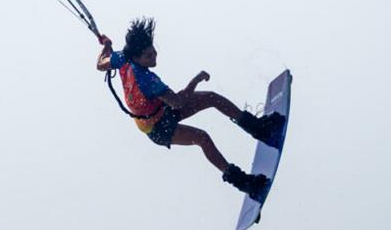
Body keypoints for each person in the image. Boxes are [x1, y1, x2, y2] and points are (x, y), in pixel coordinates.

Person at [96, 18, 284, 200]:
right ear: (137, 57)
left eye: (153, 50)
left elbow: (100, 64)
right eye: (148, 56)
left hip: (162, 110)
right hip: (157, 128)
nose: (154, 55)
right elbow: (178, 102)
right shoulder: (148, 80)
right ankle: (245, 183)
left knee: (212, 98)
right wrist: (195, 80)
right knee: (202, 138)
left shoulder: (121, 58)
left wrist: (105, 46)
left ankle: (259, 129)